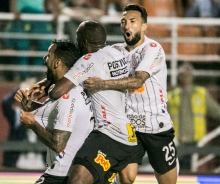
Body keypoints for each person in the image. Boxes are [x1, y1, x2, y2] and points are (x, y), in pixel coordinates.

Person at [83, 4, 178, 184]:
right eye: (123, 22)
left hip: (156, 125)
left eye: (133, 21)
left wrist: (101, 84)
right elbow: (87, 64)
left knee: (168, 181)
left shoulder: (153, 48)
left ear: (144, 26)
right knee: (127, 178)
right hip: (130, 126)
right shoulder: (115, 52)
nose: (127, 26)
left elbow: (137, 81)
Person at [47, 20, 144, 184]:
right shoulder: (118, 53)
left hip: (109, 133)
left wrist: (48, 87)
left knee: (76, 180)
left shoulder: (88, 59)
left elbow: (57, 92)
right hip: (130, 136)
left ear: (83, 42)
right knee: (123, 180)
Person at [15, 39, 94, 183]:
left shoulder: (67, 96)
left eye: (48, 55)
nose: (45, 59)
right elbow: (54, 116)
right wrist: (29, 107)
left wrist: (32, 123)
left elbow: (58, 144)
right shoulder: (64, 90)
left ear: (57, 63)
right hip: (66, 171)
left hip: (62, 173)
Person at [167, 62, 220, 171]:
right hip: (176, 140)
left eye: (188, 74)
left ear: (192, 76)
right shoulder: (171, 96)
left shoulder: (201, 93)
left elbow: (217, 111)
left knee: (190, 169)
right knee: (175, 170)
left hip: (196, 141)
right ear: (179, 76)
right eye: (183, 74)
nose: (186, 77)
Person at [1, 78, 46, 170]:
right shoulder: (18, 115)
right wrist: (19, 90)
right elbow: (5, 104)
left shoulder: (44, 115)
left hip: (41, 164)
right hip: (19, 164)